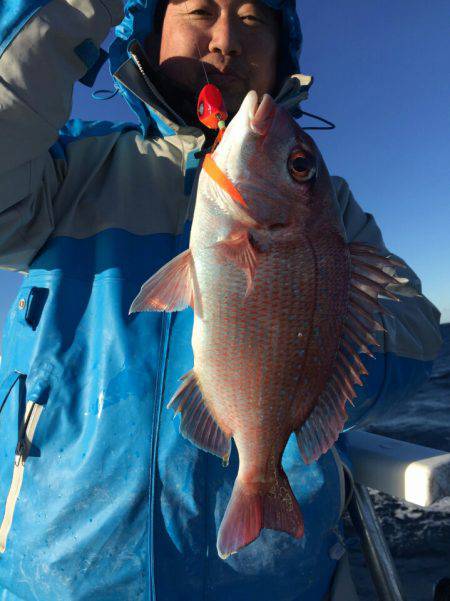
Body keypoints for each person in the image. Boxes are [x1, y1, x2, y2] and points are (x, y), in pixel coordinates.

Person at [0, 0, 441, 599]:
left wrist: (300, 364)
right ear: (152, 34)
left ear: (282, 54)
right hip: (49, 579)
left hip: (270, 580)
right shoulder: (71, 167)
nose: (227, 40)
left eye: (255, 19)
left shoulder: (327, 211)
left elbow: (417, 332)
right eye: (201, 9)